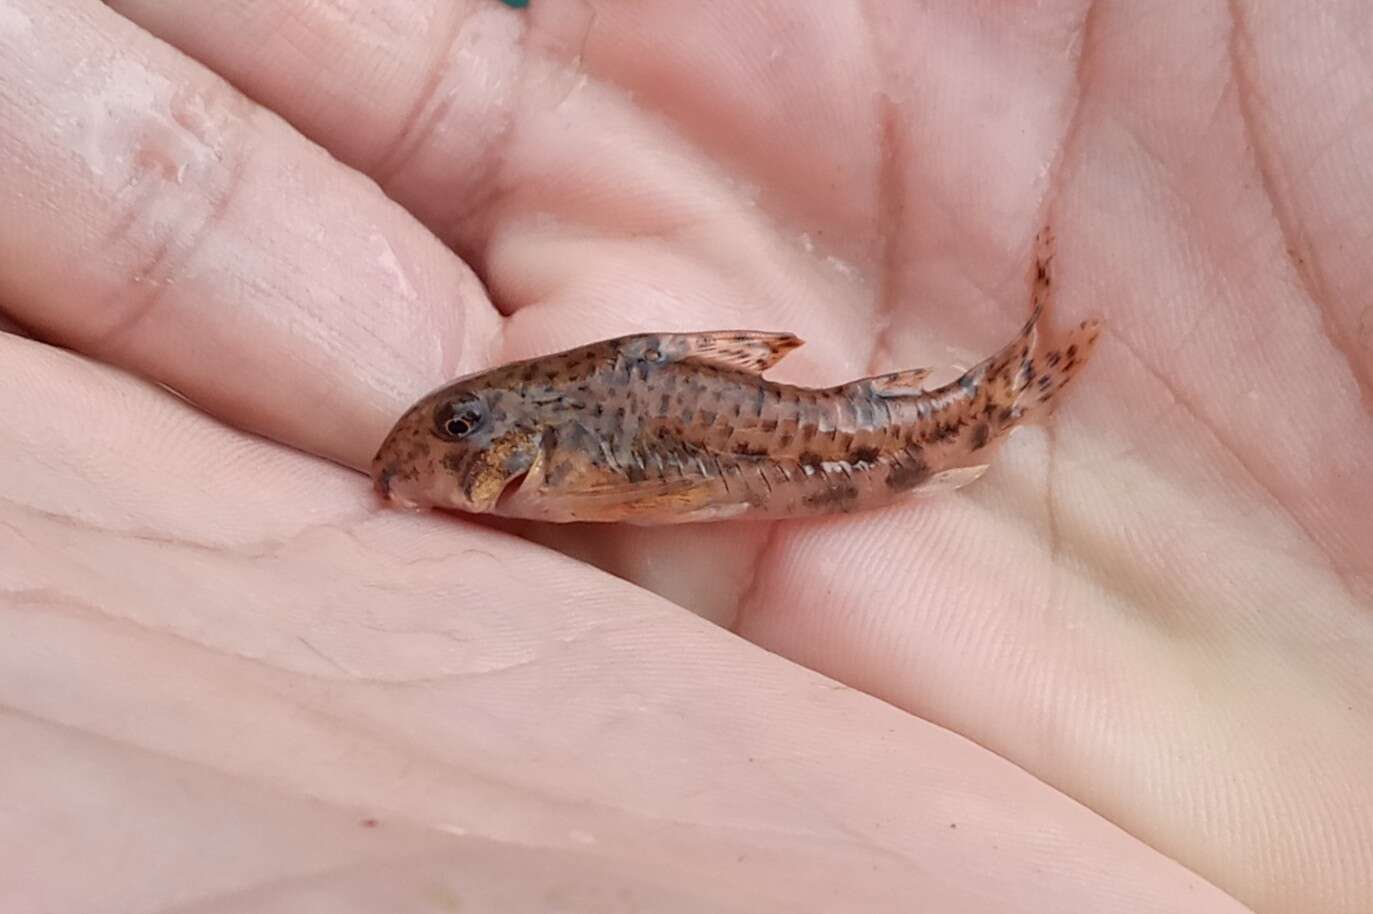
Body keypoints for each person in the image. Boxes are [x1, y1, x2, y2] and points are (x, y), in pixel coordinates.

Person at [1, 2, 1368, 911]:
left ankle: (988, 399)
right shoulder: (538, 437)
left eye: (457, 434)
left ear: (517, 449)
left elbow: (671, 435)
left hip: (848, 434)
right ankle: (987, 396)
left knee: (925, 423)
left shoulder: (564, 446)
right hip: (842, 430)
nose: (435, 449)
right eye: (451, 435)